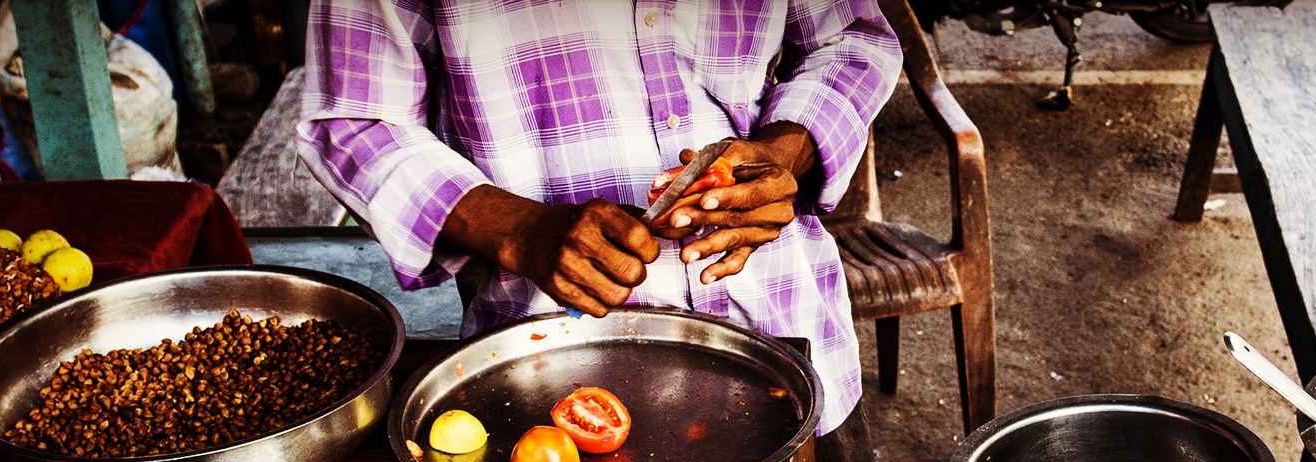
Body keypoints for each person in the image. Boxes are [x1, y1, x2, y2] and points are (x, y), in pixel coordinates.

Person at [296, 1, 902, 436]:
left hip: (786, 320)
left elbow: (852, 38)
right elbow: (354, 119)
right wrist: (520, 229)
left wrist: (783, 151)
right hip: (548, 373)